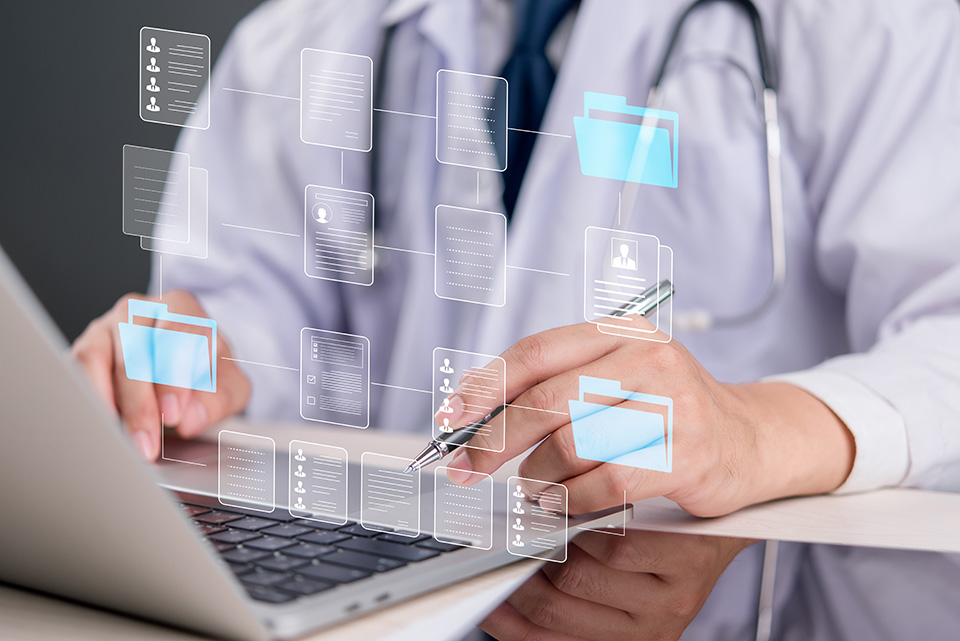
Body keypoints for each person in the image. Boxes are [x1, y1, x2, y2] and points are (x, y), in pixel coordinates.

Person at [71, 0, 960, 639]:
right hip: (387, 594)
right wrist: (188, 352)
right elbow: (253, 312)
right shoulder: (306, 33)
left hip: (749, 598)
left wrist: (756, 429)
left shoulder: (879, 22)